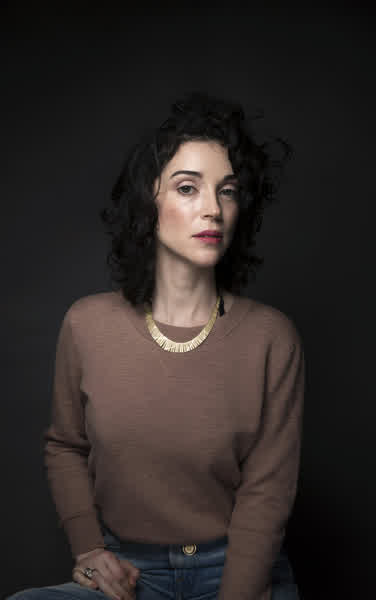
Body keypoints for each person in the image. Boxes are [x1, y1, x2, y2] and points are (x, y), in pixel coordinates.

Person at [7, 90, 305, 600]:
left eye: (228, 191)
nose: (213, 209)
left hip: (238, 571)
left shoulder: (271, 337)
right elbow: (65, 444)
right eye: (188, 188)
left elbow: (268, 493)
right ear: (150, 202)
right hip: (131, 573)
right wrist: (88, 550)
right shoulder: (87, 324)